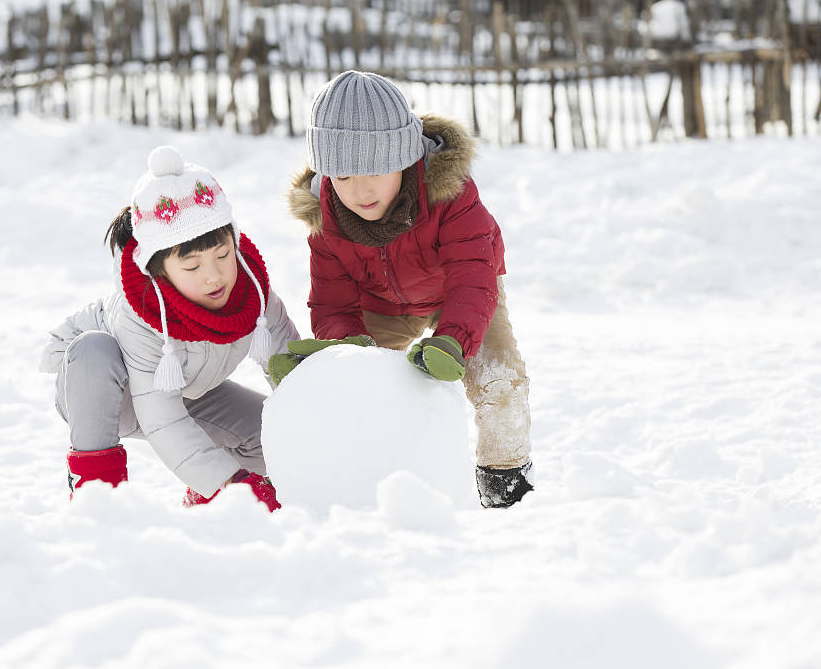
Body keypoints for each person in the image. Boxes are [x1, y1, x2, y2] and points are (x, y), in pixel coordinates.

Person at [272, 70, 533, 508]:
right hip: (384, 306)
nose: (360, 190)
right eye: (342, 175)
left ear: (406, 156)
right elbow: (333, 300)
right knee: (358, 385)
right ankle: (373, 481)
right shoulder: (327, 218)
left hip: (463, 293)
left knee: (500, 379)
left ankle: (504, 486)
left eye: (375, 169)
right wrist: (341, 354)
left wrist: (455, 340)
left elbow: (473, 275)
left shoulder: (450, 194)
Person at [39, 146, 299, 511]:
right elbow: (164, 420)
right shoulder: (141, 313)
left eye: (223, 255)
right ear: (159, 271)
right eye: (192, 267)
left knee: (273, 437)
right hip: (109, 392)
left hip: (190, 388)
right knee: (94, 349)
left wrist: (316, 426)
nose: (213, 275)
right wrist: (226, 482)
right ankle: (96, 496)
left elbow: (290, 370)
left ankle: (208, 506)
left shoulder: (253, 295)